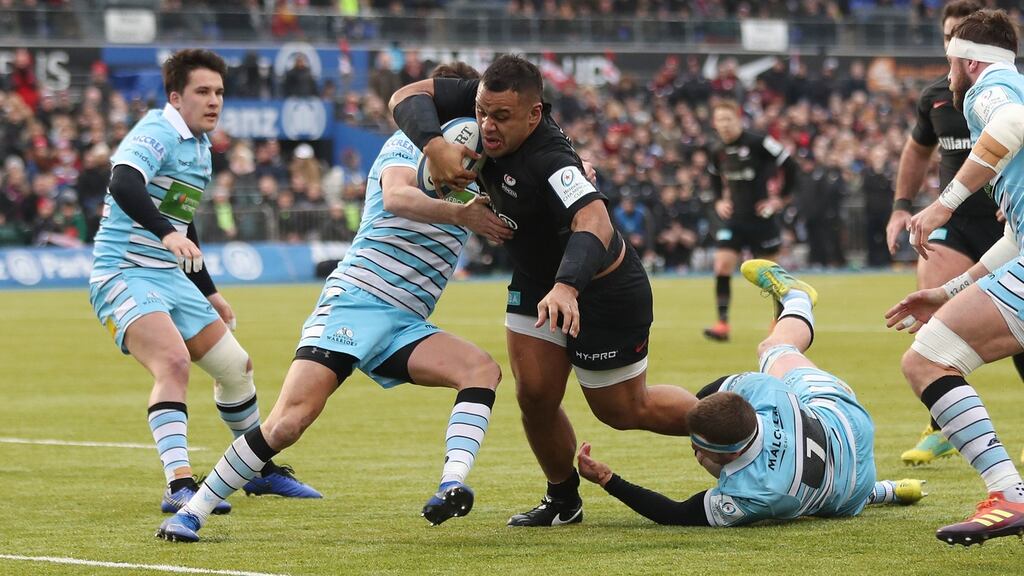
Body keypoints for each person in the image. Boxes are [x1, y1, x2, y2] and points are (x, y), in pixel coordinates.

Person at [157, 62, 512, 543]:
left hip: (405, 322)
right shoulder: (409, 143)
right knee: (289, 423)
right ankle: (191, 512)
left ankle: (451, 485)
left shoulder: (482, 164)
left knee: (480, 370)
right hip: (357, 301)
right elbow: (398, 198)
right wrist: (462, 215)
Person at [388, 54, 699, 527]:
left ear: (535, 114)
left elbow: (593, 220)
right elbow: (405, 97)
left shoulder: (550, 158)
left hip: (600, 287)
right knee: (534, 395)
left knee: (623, 409)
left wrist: (567, 288)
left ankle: (739, 430)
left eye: (501, 117)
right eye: (481, 112)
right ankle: (562, 500)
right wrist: (433, 146)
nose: (487, 126)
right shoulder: (485, 96)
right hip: (536, 282)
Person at [87, 49, 320, 519]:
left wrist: (208, 290)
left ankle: (256, 469)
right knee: (173, 363)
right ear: (176, 96)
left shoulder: (199, 146)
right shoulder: (158, 130)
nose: (214, 101)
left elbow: (182, 220)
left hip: (169, 277)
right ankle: (179, 485)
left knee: (236, 366)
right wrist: (167, 233)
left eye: (219, 92)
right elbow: (123, 182)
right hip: (122, 272)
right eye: (202, 91)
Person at [579, 259, 927, 526]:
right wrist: (703, 417)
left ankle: (798, 295)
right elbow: (714, 395)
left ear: (729, 455)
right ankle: (795, 300)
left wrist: (609, 480)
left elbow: (677, 514)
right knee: (776, 346)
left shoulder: (756, 493)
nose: (695, 450)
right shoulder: (765, 393)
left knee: (826, 499)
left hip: (852, 489)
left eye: (701, 447)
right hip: (843, 419)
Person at [889, 9, 1024, 545]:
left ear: (968, 62)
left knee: (927, 359)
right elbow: (1015, 241)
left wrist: (943, 205)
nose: (946, 73)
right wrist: (947, 291)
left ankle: (1008, 493)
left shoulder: (986, 89)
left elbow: (1011, 126)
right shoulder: (1011, 81)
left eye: (950, 60)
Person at [703, 99, 798, 342]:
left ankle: (780, 323)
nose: (724, 125)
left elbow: (790, 164)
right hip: (734, 218)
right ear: (714, 123)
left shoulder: (758, 142)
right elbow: (713, 178)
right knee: (722, 265)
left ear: (738, 120)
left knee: (773, 275)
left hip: (760, 218)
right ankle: (722, 324)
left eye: (728, 119)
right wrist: (718, 201)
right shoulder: (717, 150)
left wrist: (780, 199)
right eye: (720, 120)